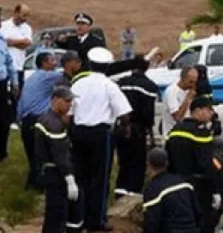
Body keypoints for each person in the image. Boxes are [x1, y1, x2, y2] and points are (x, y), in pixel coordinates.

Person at [68, 54, 133, 231]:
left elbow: (69, 112)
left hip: (79, 132)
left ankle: (77, 218)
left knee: (81, 176)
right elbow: (124, 113)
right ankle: (96, 220)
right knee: (100, 177)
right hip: (100, 134)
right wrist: (125, 128)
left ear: (89, 64)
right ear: (107, 66)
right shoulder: (109, 85)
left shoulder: (78, 84)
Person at [165, 96, 220, 233]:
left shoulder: (175, 130)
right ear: (198, 110)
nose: (211, 113)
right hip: (198, 186)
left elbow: (167, 156)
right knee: (201, 221)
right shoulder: (201, 133)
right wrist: (215, 190)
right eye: (209, 109)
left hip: (175, 183)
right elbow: (206, 164)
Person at [35, 86, 80, 233]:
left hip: (48, 171)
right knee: (57, 214)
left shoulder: (45, 118)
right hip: (55, 174)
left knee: (53, 215)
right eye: (67, 101)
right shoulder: (53, 124)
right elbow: (60, 155)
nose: (70, 105)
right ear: (55, 100)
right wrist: (69, 178)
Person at [115, 55, 160, 198]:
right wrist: (149, 128)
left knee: (123, 161)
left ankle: (120, 190)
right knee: (137, 161)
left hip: (120, 127)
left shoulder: (121, 82)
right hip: (137, 129)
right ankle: (133, 192)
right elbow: (148, 112)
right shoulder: (149, 86)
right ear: (146, 68)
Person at [17, 51, 63, 190]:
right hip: (38, 120)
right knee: (44, 154)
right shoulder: (47, 76)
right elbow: (68, 75)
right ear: (44, 63)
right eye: (53, 60)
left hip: (26, 120)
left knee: (33, 156)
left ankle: (32, 183)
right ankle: (42, 184)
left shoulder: (32, 77)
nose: (56, 63)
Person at [142, 147, 201, 233]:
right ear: (167, 163)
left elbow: (152, 223)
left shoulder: (153, 189)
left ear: (148, 164)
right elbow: (198, 213)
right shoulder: (184, 183)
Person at [162, 66, 198, 136]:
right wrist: (187, 99)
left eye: (195, 82)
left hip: (186, 134)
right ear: (183, 78)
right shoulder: (172, 92)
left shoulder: (190, 90)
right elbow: (177, 117)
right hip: (173, 135)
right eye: (190, 82)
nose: (193, 85)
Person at [0, 32, 19, 163]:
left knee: (3, 120)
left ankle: (1, 152)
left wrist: (15, 82)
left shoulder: (1, 40)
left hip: (1, 84)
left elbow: (10, 63)